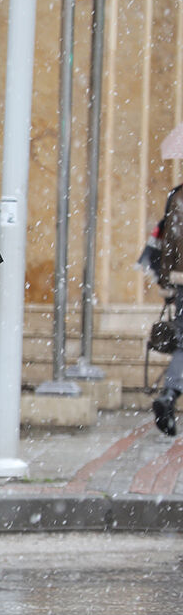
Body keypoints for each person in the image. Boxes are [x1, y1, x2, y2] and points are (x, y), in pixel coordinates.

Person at [139, 183, 183, 435]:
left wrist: (166, 282)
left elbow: (169, 241)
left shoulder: (177, 196)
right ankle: (169, 395)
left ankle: (169, 393)